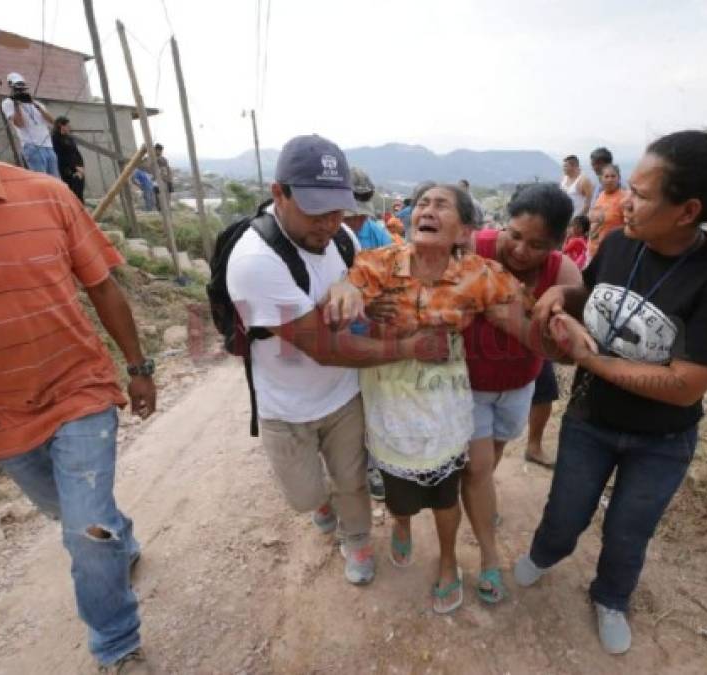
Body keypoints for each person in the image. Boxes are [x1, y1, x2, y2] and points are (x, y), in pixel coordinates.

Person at [514, 119, 707, 655]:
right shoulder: (621, 245)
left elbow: (683, 387)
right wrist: (562, 299)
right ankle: (544, 555)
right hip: (590, 422)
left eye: (641, 194)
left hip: (661, 440)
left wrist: (591, 359)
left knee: (630, 530)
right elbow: (591, 293)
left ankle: (610, 596)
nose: (623, 202)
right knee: (565, 512)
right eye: (628, 186)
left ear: (688, 211)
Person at [324, 184, 575, 613]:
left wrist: (564, 332)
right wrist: (344, 291)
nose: (428, 210)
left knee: (445, 489)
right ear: (409, 218)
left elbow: (531, 329)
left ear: (464, 232)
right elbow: (340, 328)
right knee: (398, 485)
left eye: (442, 205)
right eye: (423, 204)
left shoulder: (481, 275)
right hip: (389, 398)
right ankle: (401, 524)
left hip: (445, 399)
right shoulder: (372, 265)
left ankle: (447, 561)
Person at [0, 94, 156, 673]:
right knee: (75, 515)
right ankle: (118, 540)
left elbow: (103, 286)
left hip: (77, 389)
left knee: (84, 526)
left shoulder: (46, 195)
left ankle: (116, 646)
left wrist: (138, 366)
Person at [225, 135, 449, 587]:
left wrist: (352, 283)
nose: (329, 224)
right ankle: (321, 506)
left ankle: (359, 538)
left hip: (344, 397)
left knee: (352, 482)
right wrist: (407, 349)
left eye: (336, 209)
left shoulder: (340, 236)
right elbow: (325, 348)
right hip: (285, 408)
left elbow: (370, 273)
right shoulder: (255, 262)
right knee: (305, 497)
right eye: (315, 210)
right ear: (278, 194)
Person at [462, 182, 581, 603]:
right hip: (469, 385)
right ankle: (490, 560)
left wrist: (517, 322)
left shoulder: (563, 274)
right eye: (514, 235)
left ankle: (480, 495)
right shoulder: (473, 246)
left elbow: (568, 354)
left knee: (493, 453)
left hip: (518, 384)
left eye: (536, 244)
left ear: (557, 243)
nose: (519, 250)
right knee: (476, 468)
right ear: (503, 224)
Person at [345, 167, 394, 502]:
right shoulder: (318, 238)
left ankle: (375, 465)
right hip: (333, 343)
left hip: (370, 341)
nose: (358, 223)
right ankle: (346, 468)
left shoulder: (377, 235)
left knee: (373, 406)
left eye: (363, 216)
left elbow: (397, 281)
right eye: (352, 216)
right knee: (343, 413)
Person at [1, 73, 59, 177]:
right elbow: (20, 124)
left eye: (23, 89)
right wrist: (16, 103)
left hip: (48, 146)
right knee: (41, 181)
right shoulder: (8, 103)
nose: (21, 91)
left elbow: (53, 121)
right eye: (18, 89)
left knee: (56, 181)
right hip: (32, 146)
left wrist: (34, 103)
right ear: (11, 88)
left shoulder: (36, 103)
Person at [587, 164, 627, 261]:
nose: (610, 179)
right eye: (606, 176)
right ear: (601, 179)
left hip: (612, 253)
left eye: (613, 176)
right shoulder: (600, 196)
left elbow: (629, 228)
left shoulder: (625, 198)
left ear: (619, 178)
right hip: (593, 250)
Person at [52, 115, 85, 203]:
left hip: (78, 169)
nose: (69, 127)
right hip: (67, 169)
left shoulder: (69, 138)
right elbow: (62, 156)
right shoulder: (55, 138)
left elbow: (77, 153)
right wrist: (74, 168)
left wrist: (81, 167)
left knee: (80, 193)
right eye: (67, 125)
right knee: (73, 193)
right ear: (61, 125)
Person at [153, 143, 174, 210]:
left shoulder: (164, 159)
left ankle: (167, 207)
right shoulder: (152, 159)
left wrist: (169, 178)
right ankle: (160, 209)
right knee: (158, 195)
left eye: (161, 150)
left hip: (165, 179)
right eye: (158, 150)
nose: (160, 152)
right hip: (156, 180)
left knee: (167, 194)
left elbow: (167, 168)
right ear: (155, 150)